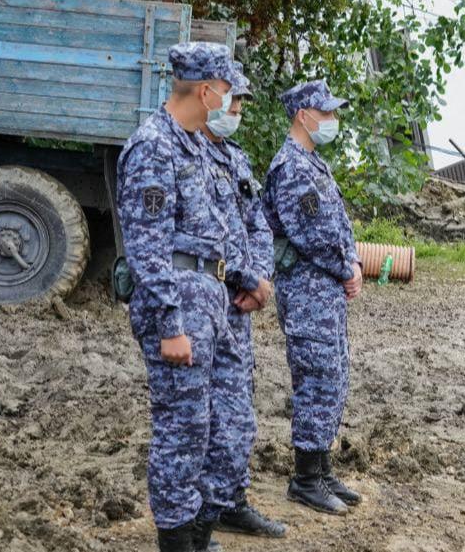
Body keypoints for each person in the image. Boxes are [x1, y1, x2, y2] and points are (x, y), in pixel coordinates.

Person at [117, 42, 236, 552]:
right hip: (179, 309)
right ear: (205, 89)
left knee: (209, 428)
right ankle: (174, 542)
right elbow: (148, 246)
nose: (229, 103)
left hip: (207, 303)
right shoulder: (154, 146)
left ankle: (192, 533)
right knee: (181, 431)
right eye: (226, 91)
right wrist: (170, 325)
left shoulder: (193, 144)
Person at [261, 80, 363, 515]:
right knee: (316, 379)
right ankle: (304, 479)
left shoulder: (313, 163)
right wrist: (347, 267)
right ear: (303, 115)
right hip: (306, 289)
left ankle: (321, 469)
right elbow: (314, 235)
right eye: (326, 113)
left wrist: (353, 261)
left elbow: (338, 225)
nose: (333, 121)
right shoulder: (291, 168)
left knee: (334, 375)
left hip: (325, 289)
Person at [198, 63, 287, 540]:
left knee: (238, 412)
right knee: (203, 414)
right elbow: (205, 231)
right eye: (233, 101)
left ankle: (231, 500)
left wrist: (262, 278)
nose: (237, 111)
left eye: (241, 104)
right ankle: (200, 514)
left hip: (241, 305)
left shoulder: (236, 157)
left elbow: (257, 224)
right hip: (210, 298)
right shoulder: (186, 154)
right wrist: (247, 276)